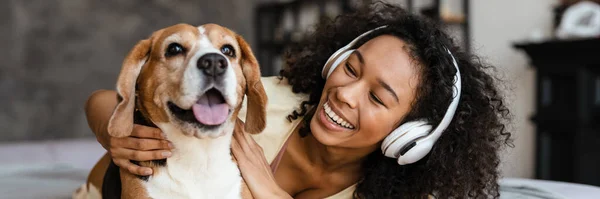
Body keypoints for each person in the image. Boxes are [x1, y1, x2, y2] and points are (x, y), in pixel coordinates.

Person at [85, 2, 512, 198]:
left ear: (411, 136)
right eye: (351, 68)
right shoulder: (259, 100)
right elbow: (102, 99)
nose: (345, 94)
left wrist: (269, 190)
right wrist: (116, 132)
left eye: (378, 98)